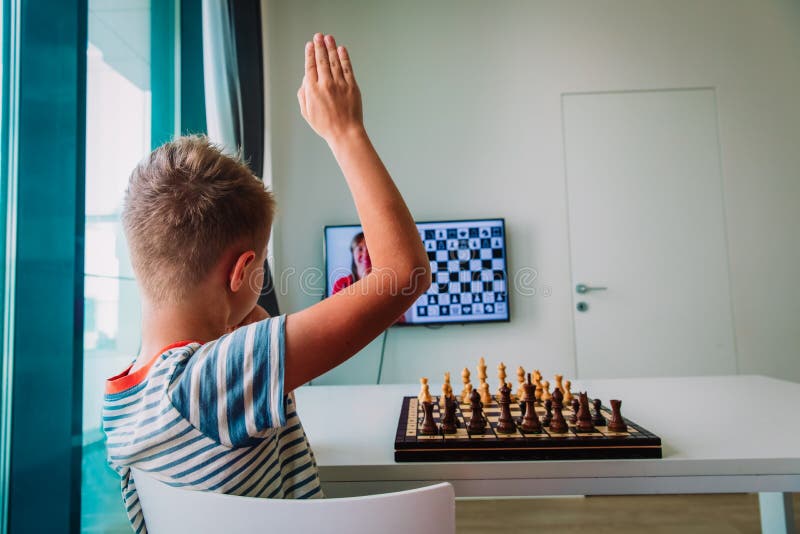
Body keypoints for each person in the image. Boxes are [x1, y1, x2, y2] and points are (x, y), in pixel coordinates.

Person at [103, 33, 430, 533]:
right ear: (241, 272)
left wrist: (236, 301)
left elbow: (248, 325)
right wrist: (345, 131)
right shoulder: (215, 381)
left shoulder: (126, 399)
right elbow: (404, 276)